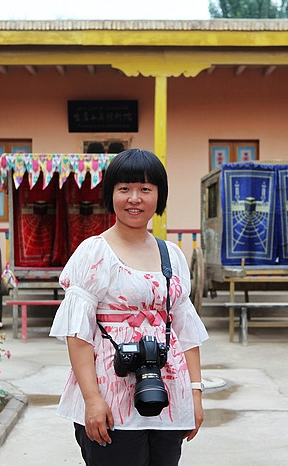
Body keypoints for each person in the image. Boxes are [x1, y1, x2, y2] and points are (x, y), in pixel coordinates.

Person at [50, 148, 209, 466]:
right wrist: (92, 400)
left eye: (145, 189)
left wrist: (195, 393)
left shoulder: (172, 255)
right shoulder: (94, 252)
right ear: (111, 195)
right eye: (124, 189)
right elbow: (78, 336)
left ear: (159, 197)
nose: (134, 198)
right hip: (110, 395)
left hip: (166, 390)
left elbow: (183, 328)